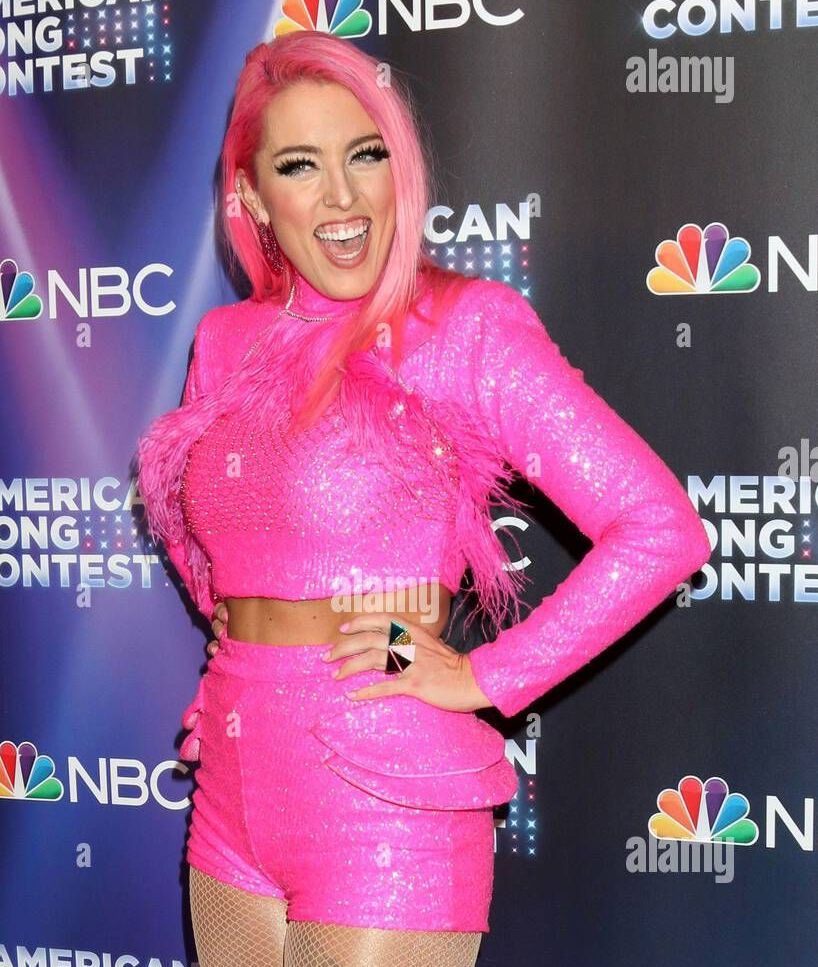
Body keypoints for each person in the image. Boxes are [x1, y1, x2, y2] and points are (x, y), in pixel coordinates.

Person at [135, 31, 711, 967]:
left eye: (367, 155)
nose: (343, 197)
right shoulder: (224, 341)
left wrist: (486, 676)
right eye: (299, 165)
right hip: (233, 790)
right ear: (251, 198)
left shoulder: (461, 328)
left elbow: (660, 528)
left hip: (387, 800)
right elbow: (219, 535)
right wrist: (238, 650)